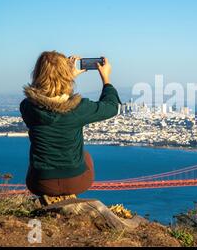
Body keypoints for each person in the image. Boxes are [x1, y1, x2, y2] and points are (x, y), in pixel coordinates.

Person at [20, 51, 121, 204]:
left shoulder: (27, 107)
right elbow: (112, 107)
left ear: (37, 73)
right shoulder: (79, 108)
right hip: (77, 182)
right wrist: (106, 78)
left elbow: (47, 98)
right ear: (66, 74)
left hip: (40, 183)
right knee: (86, 156)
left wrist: (65, 77)